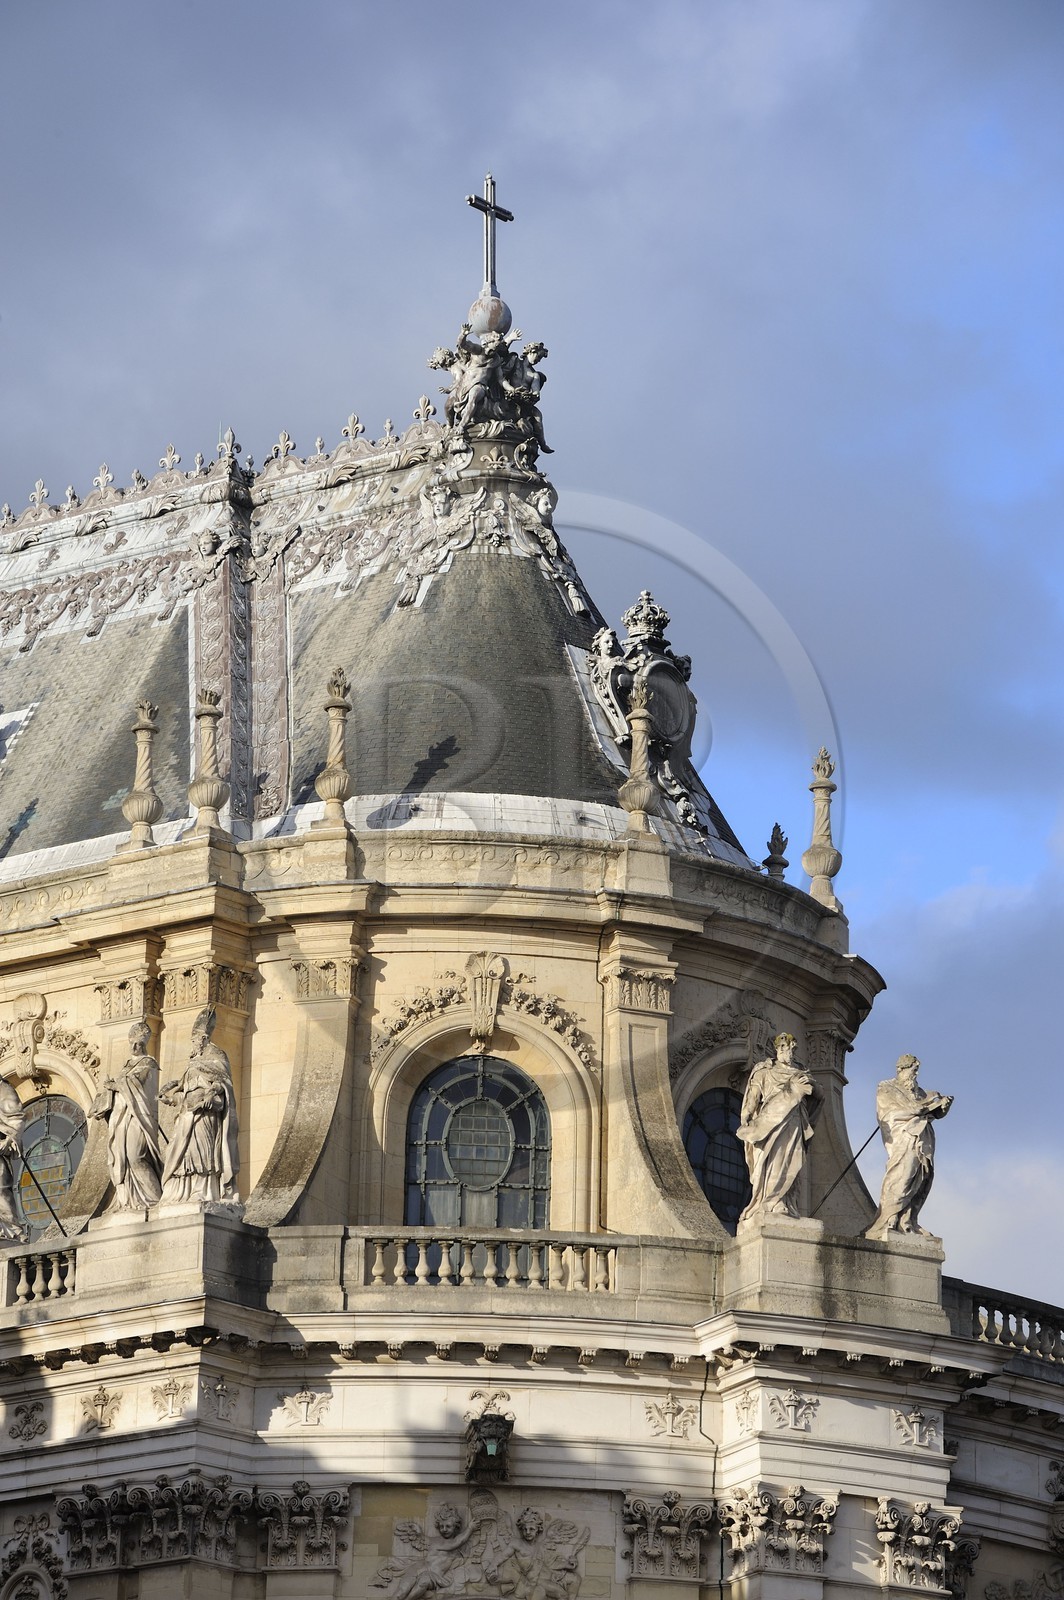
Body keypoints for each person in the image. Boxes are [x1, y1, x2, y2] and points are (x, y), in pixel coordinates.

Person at [159, 1006, 239, 1205]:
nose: (193, 1045)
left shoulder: (216, 1056)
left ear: (203, 1039)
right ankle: (183, 1192)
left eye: (195, 1041)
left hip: (206, 1115)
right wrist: (170, 1099)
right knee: (182, 1153)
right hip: (187, 1115)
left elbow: (223, 1083)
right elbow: (185, 1093)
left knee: (202, 1152)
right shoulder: (192, 1064)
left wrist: (212, 1095)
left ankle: (204, 1190)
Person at [736, 1032, 818, 1222]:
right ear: (779, 1049)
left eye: (792, 1049)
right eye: (787, 1049)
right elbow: (754, 1096)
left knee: (793, 1160)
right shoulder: (765, 1071)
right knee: (776, 1159)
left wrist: (811, 1085)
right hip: (772, 1122)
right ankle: (772, 1201)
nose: (790, 1053)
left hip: (795, 1121)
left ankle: (787, 1202)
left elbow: (818, 1095)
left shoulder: (800, 1073)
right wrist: (746, 1115)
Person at [868, 1054, 952, 1237]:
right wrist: (926, 1106)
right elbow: (894, 1113)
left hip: (922, 1138)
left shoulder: (921, 1093)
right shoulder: (887, 1087)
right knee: (902, 1175)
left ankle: (907, 1221)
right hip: (903, 1137)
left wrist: (942, 1108)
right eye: (913, 1070)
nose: (915, 1074)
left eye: (917, 1071)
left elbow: (932, 1113)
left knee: (922, 1176)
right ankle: (889, 1219)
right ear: (901, 1069)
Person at [92, 1020, 162, 1210]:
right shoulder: (127, 1065)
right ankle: (129, 1202)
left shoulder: (148, 1063)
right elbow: (124, 1086)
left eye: (138, 1043)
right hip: (121, 1118)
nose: (134, 1046)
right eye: (132, 1042)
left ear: (145, 1043)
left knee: (136, 1156)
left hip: (138, 1118)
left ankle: (155, 1200)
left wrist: (115, 1085)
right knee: (122, 1159)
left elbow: (137, 1086)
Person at [0, 1079, 27, 1240]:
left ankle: (12, 1231)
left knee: (1, 1188)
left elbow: (16, 1118)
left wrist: (10, 1140)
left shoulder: (3, 1090)